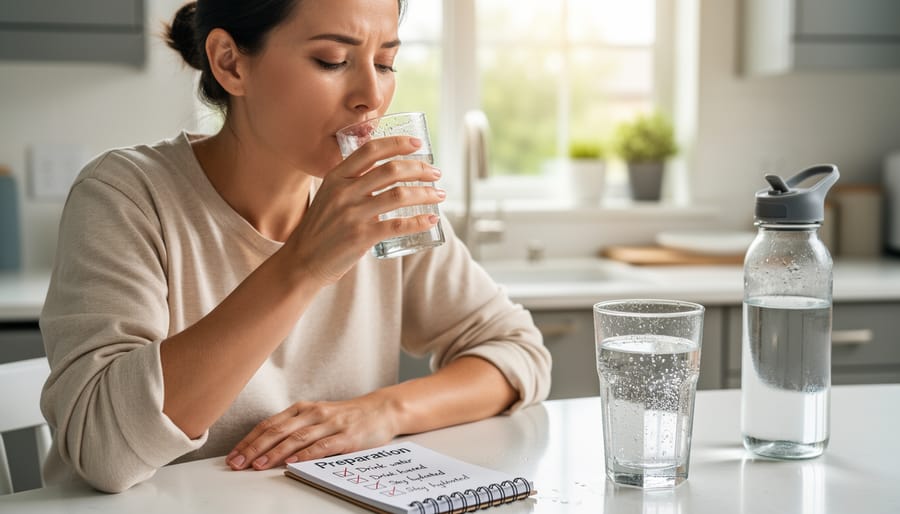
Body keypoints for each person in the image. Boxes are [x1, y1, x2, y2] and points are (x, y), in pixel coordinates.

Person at [38, 0, 551, 493]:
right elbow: (103, 449)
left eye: (385, 62)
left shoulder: (376, 199)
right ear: (230, 63)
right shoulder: (127, 195)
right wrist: (304, 265)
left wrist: (383, 411)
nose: (370, 95)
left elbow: (517, 352)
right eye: (332, 60)